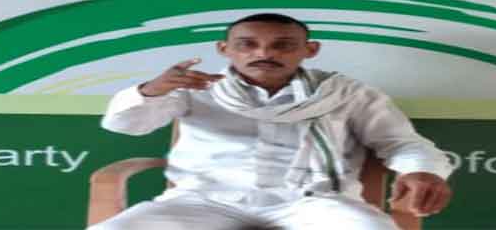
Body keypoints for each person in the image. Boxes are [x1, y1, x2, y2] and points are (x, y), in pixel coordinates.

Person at [92, 13, 453, 230]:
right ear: (224, 49)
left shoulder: (344, 93)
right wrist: (151, 90)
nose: (264, 53)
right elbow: (126, 125)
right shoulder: (194, 88)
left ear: (309, 50)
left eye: (283, 45)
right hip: (202, 200)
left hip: (315, 202)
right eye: (247, 44)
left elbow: (400, 142)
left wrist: (422, 170)